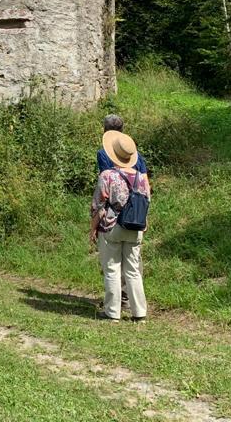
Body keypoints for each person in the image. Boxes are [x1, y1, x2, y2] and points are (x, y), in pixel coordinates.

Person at [90, 130, 150, 322]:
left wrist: (93, 228)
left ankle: (112, 312)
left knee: (112, 268)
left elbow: (98, 205)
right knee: (133, 270)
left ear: (112, 154)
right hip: (135, 227)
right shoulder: (141, 177)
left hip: (111, 226)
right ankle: (139, 312)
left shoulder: (108, 175)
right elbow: (146, 201)